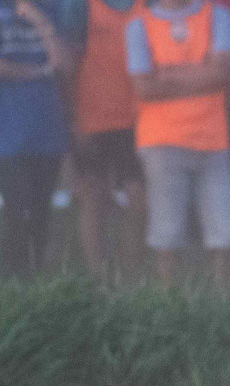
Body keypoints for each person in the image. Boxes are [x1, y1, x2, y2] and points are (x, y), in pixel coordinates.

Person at [125, 0, 230, 285]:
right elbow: (144, 87)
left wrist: (166, 74)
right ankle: (170, 301)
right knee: (168, 234)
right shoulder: (139, 26)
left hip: (213, 139)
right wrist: (201, 71)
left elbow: (221, 73)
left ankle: (225, 303)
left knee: (225, 234)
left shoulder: (217, 17)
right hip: (161, 141)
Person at [0, 0, 70, 277]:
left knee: (40, 211)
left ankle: (35, 278)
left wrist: (40, 21)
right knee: (18, 208)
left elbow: (64, 64)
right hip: (5, 132)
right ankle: (14, 279)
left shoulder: (50, 7)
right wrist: (39, 72)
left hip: (47, 130)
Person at [66, 0, 146, 281]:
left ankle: (130, 279)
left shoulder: (146, 5)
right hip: (92, 120)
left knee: (139, 200)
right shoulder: (79, 7)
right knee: (92, 198)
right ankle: (97, 278)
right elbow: (69, 64)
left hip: (137, 120)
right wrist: (73, 119)